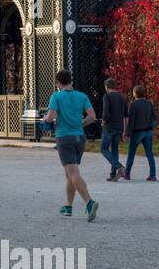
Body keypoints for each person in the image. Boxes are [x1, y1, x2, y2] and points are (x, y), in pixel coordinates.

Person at [44, 69, 99, 221]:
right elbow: (92, 117)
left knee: (73, 172)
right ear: (70, 81)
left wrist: (45, 120)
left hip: (64, 137)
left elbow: (51, 116)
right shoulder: (82, 96)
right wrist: (81, 123)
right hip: (80, 137)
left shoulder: (56, 96)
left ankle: (89, 202)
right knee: (69, 173)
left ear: (58, 83)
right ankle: (68, 206)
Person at [123, 84, 158, 181]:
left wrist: (127, 133)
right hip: (148, 130)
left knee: (131, 153)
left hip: (137, 132)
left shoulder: (133, 104)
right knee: (149, 154)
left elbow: (132, 121)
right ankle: (153, 174)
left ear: (135, 93)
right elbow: (154, 117)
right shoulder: (149, 103)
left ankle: (127, 174)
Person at [99, 78, 128, 182]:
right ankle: (113, 174)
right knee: (115, 149)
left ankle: (119, 166)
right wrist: (125, 130)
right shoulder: (123, 97)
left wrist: (103, 121)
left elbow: (106, 112)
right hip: (119, 127)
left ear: (107, 86)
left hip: (109, 127)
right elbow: (126, 115)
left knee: (103, 149)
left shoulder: (106, 96)